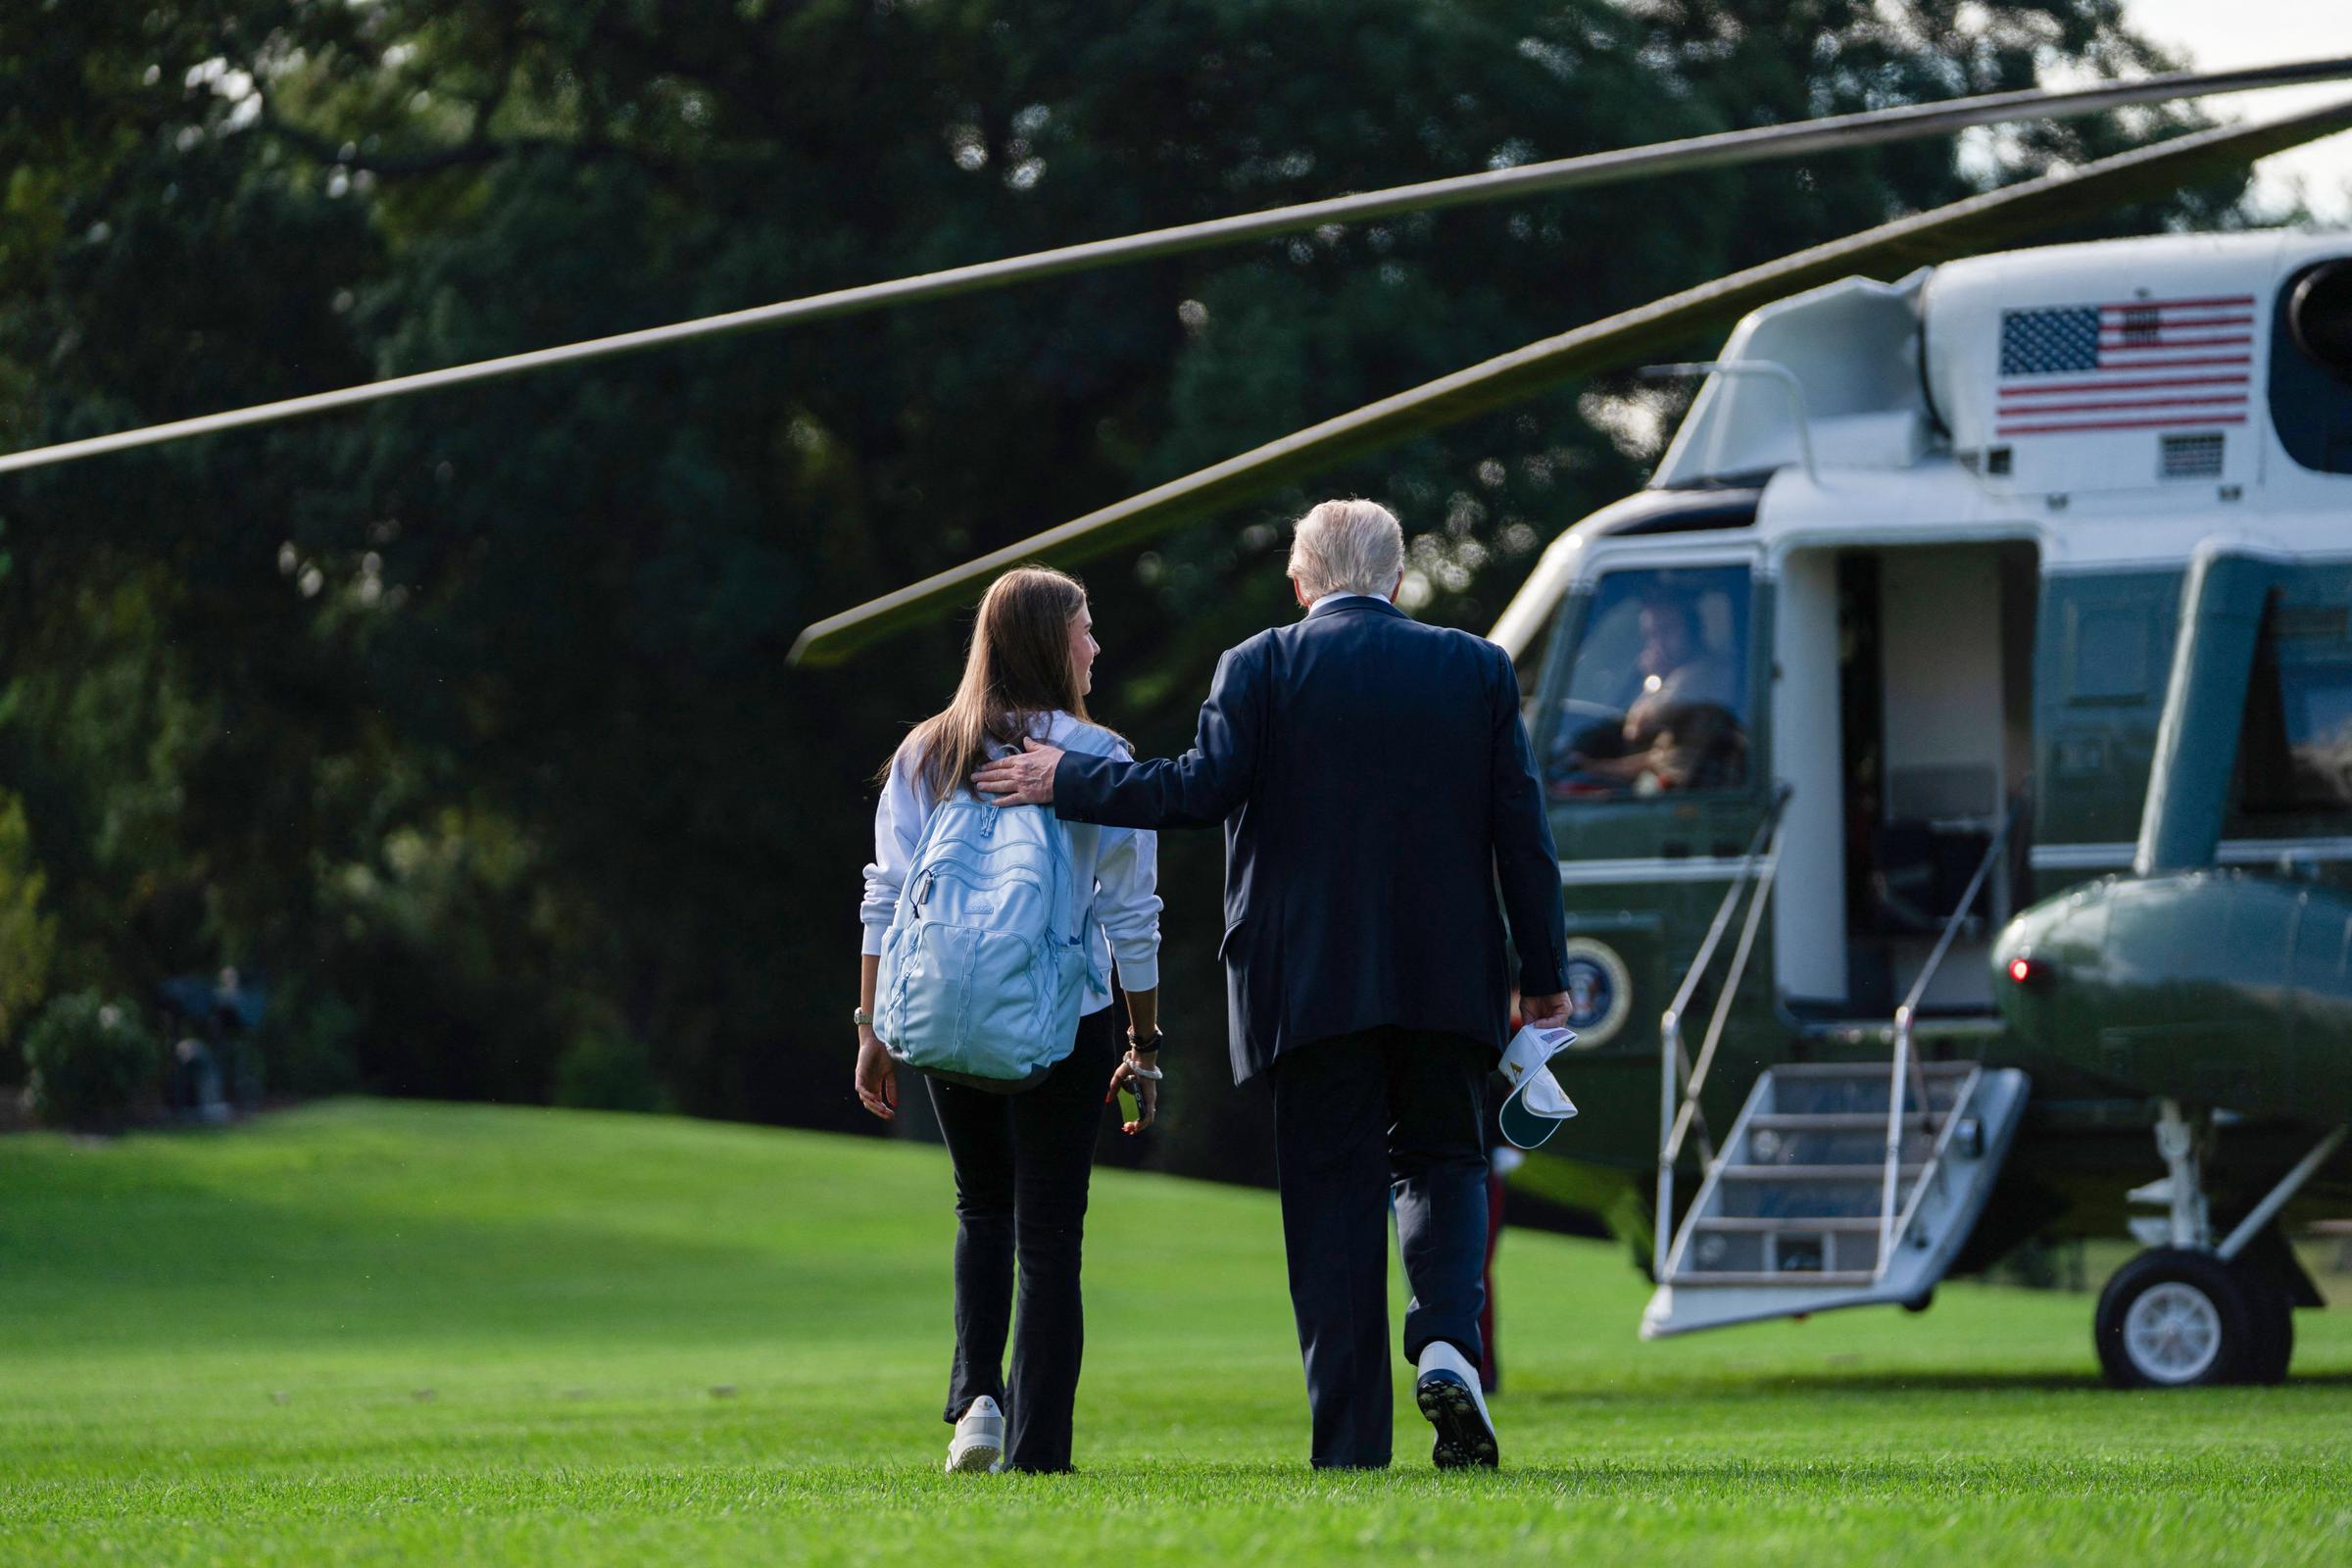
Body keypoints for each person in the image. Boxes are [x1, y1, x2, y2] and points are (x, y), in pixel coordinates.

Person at [973, 500, 1568, 1471]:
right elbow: (1523, 835)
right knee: (1443, 1162)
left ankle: (1349, 1445)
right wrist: (1542, 975)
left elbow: (1198, 791)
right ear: (1400, 580)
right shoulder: (1477, 668)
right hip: (1448, 972)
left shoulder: (1260, 665)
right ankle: (1451, 1335)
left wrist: (1065, 781)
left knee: (1332, 1201)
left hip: (1306, 979)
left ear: (1300, 583)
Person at [854, 565, 1164, 1476]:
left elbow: (885, 897)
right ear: (1047, 644)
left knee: (980, 1205)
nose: (1095, 647)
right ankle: (1039, 1453)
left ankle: (977, 1404)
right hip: (1069, 1019)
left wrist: (871, 1026)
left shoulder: (927, 752)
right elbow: (1132, 918)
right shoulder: (1100, 756)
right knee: (1050, 1235)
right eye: (1084, 629)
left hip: (948, 1014)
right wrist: (1145, 1043)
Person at [1571, 591, 1743, 791]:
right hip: (1672, 781)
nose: (1658, 644)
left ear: (1693, 629)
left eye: (1667, 631)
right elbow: (1659, 758)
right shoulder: (1682, 675)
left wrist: (1655, 676)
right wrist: (1594, 767)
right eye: (1651, 635)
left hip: (1686, 792)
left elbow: (1636, 729)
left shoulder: (1699, 674)